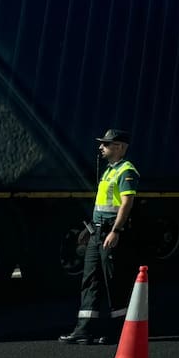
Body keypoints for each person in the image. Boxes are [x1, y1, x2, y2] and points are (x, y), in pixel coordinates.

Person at [59, 129, 139, 345]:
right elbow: (101, 204)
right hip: (97, 232)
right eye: (102, 143)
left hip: (110, 233)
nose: (101, 147)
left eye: (106, 144)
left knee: (113, 280)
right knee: (90, 280)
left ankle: (119, 331)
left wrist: (116, 231)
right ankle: (84, 329)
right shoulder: (108, 171)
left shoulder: (126, 170)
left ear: (120, 147)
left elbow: (126, 203)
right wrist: (90, 227)